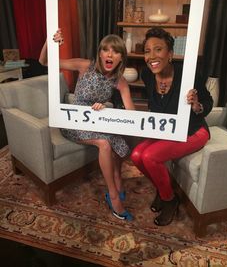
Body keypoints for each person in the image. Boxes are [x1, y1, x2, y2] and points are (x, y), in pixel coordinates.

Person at [39, 29, 135, 221]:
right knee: (105, 143)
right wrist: (50, 40)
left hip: (97, 122)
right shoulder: (85, 66)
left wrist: (106, 111)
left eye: (115, 51)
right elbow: (44, 62)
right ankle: (113, 195)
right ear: (100, 53)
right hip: (73, 123)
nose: (109, 54)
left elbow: (131, 114)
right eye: (106, 50)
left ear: (121, 58)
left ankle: (118, 180)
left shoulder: (120, 81)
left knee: (120, 141)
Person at [130, 27, 213, 226]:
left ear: (170, 54)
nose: (151, 56)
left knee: (150, 157)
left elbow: (208, 101)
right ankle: (163, 188)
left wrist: (196, 104)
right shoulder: (147, 75)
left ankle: (170, 200)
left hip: (193, 131)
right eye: (147, 51)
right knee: (136, 156)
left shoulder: (188, 74)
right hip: (166, 128)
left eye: (158, 49)